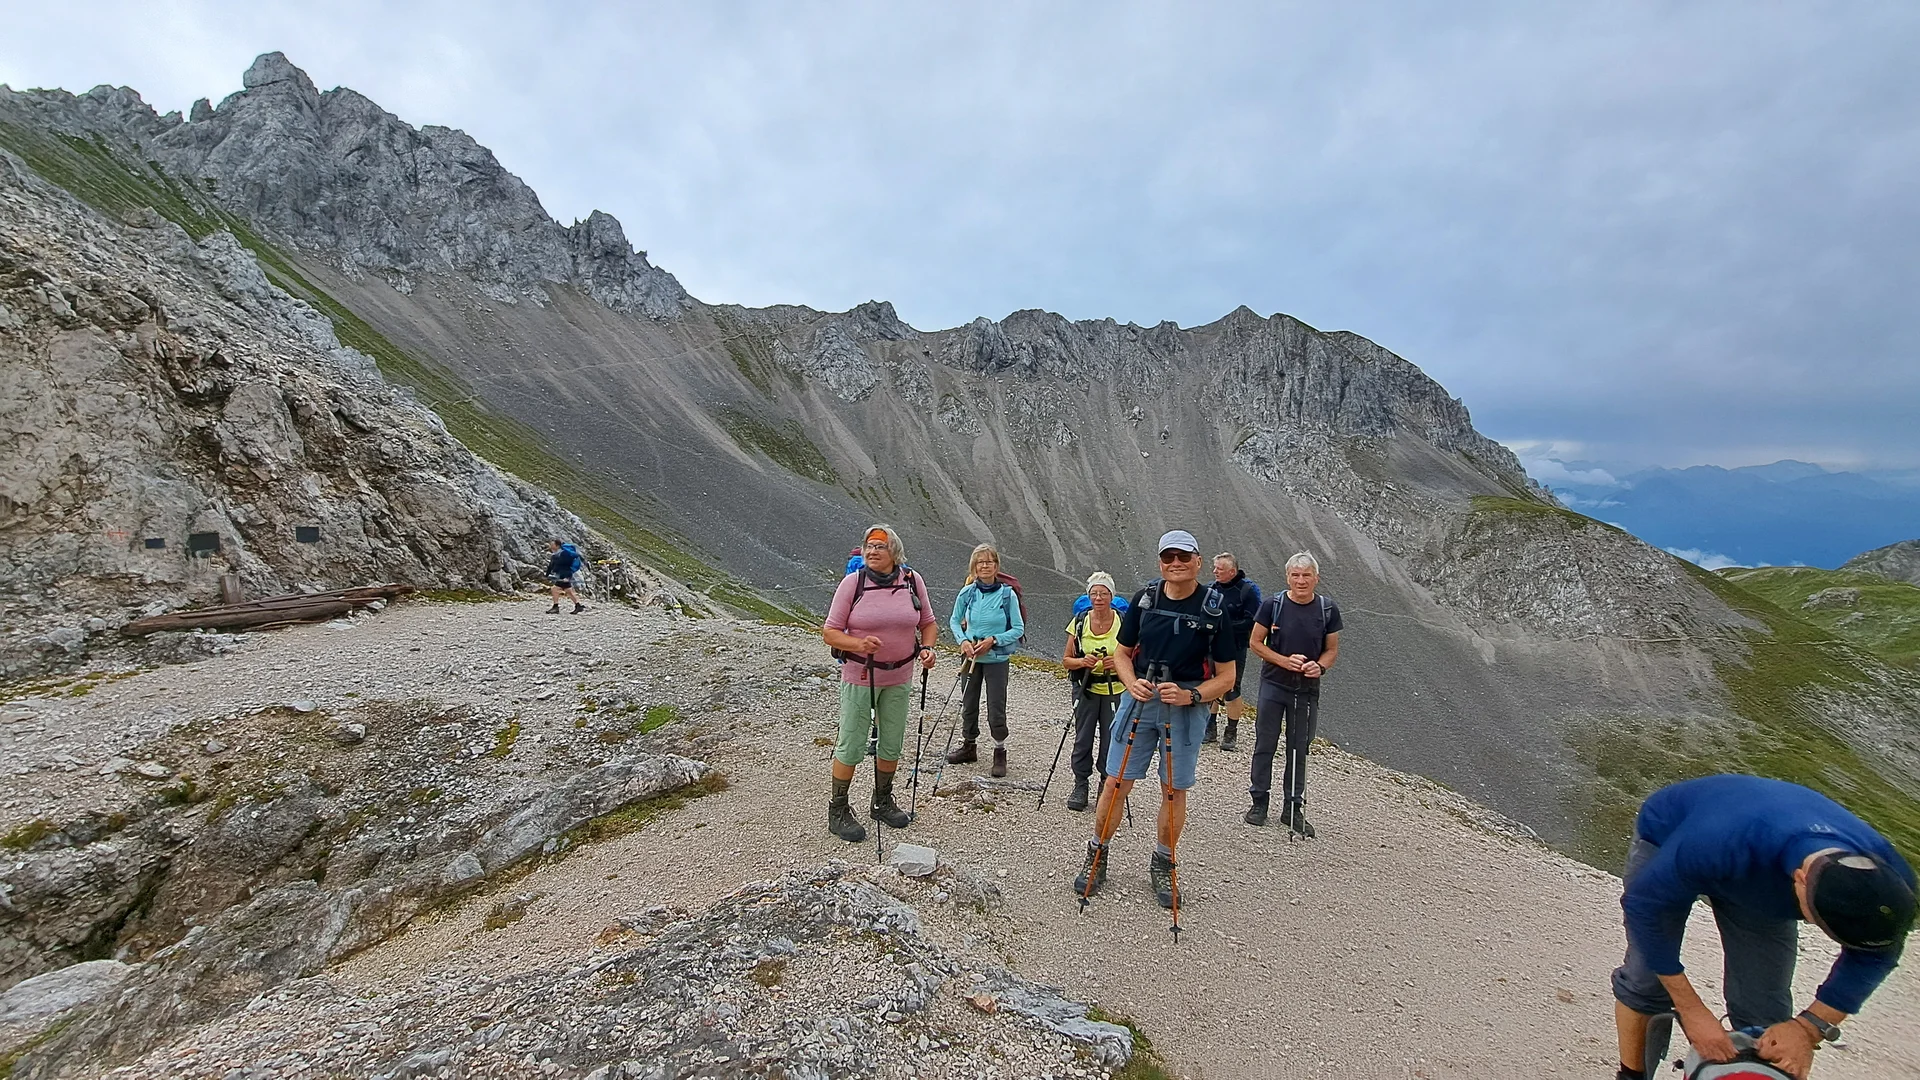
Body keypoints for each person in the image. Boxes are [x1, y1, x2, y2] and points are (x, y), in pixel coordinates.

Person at [1611, 775, 1916, 1080]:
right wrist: (1690, 1009)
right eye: (1815, 921)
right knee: (1646, 981)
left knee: (1764, 1013)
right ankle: (1631, 1076)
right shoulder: (1718, 840)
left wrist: (1807, 1029)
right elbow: (1644, 907)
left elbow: (1878, 953)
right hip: (1677, 834)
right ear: (1800, 880)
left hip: (1760, 869)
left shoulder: (1892, 884)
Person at [1073, 530, 1237, 909]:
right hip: (1141, 702)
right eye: (1168, 558)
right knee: (1115, 783)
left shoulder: (1213, 609)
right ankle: (1097, 854)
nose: (1175, 564)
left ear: (1198, 561)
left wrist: (1191, 695)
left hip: (1183, 707)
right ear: (1160, 562)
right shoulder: (1145, 600)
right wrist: (1131, 684)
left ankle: (1164, 861)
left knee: (1173, 789)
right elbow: (1123, 653)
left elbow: (1227, 677)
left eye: (1184, 557)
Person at [819, 525, 938, 843]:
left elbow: (927, 622)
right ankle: (839, 810)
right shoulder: (852, 584)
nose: (871, 551)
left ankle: (882, 801)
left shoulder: (912, 582)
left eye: (879, 547)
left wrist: (927, 648)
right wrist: (858, 645)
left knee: (891, 743)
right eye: (868, 546)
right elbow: (830, 632)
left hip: (900, 676)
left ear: (894, 552)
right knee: (851, 743)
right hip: (860, 677)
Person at [1243, 551, 1341, 835]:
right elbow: (1255, 643)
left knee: (1299, 748)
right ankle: (1259, 801)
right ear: (1287, 577)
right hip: (1274, 684)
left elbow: (1332, 650)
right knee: (1265, 744)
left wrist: (1319, 667)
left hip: (1307, 689)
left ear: (1316, 578)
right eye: (1295, 575)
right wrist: (1283, 661)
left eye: (1306, 575)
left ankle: (1293, 808)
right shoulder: (1272, 605)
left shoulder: (1327, 609)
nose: (1301, 581)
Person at [947, 544, 1025, 777]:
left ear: (996, 566)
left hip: (996, 658)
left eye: (989, 562)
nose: (984, 566)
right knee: (968, 703)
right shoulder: (967, 592)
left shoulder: (1007, 594)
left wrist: (993, 640)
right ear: (974, 566)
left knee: (996, 708)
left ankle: (999, 752)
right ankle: (969, 745)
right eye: (980, 562)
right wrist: (963, 641)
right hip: (970, 657)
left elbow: (1018, 629)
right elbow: (954, 620)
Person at [1062, 571, 1126, 812]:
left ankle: (1105, 784)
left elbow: (1135, 657)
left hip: (1116, 689)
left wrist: (1117, 661)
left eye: (1104, 593)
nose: (1098, 598)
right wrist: (1083, 662)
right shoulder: (1079, 623)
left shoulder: (1123, 622)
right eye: (1094, 593)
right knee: (1083, 737)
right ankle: (1081, 784)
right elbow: (1067, 660)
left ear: (1111, 595)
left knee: (1112, 739)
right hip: (1086, 688)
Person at [1206, 553, 1262, 750]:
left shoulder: (1248, 591)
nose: (1214, 572)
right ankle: (1210, 725)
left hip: (1235, 647)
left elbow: (1254, 621)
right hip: (1211, 645)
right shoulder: (1211, 589)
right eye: (1215, 568)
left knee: (1231, 688)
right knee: (1210, 683)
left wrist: (1224, 627)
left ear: (1232, 571)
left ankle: (1231, 731)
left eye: (1219, 569)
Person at [545, 539, 586, 614]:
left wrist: (567, 576)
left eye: (552, 544)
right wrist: (547, 574)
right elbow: (551, 565)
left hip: (565, 575)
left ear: (557, 546)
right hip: (562, 575)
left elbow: (567, 564)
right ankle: (578, 606)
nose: (551, 546)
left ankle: (555, 607)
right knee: (568, 591)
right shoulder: (555, 554)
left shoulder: (565, 554)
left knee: (554, 589)